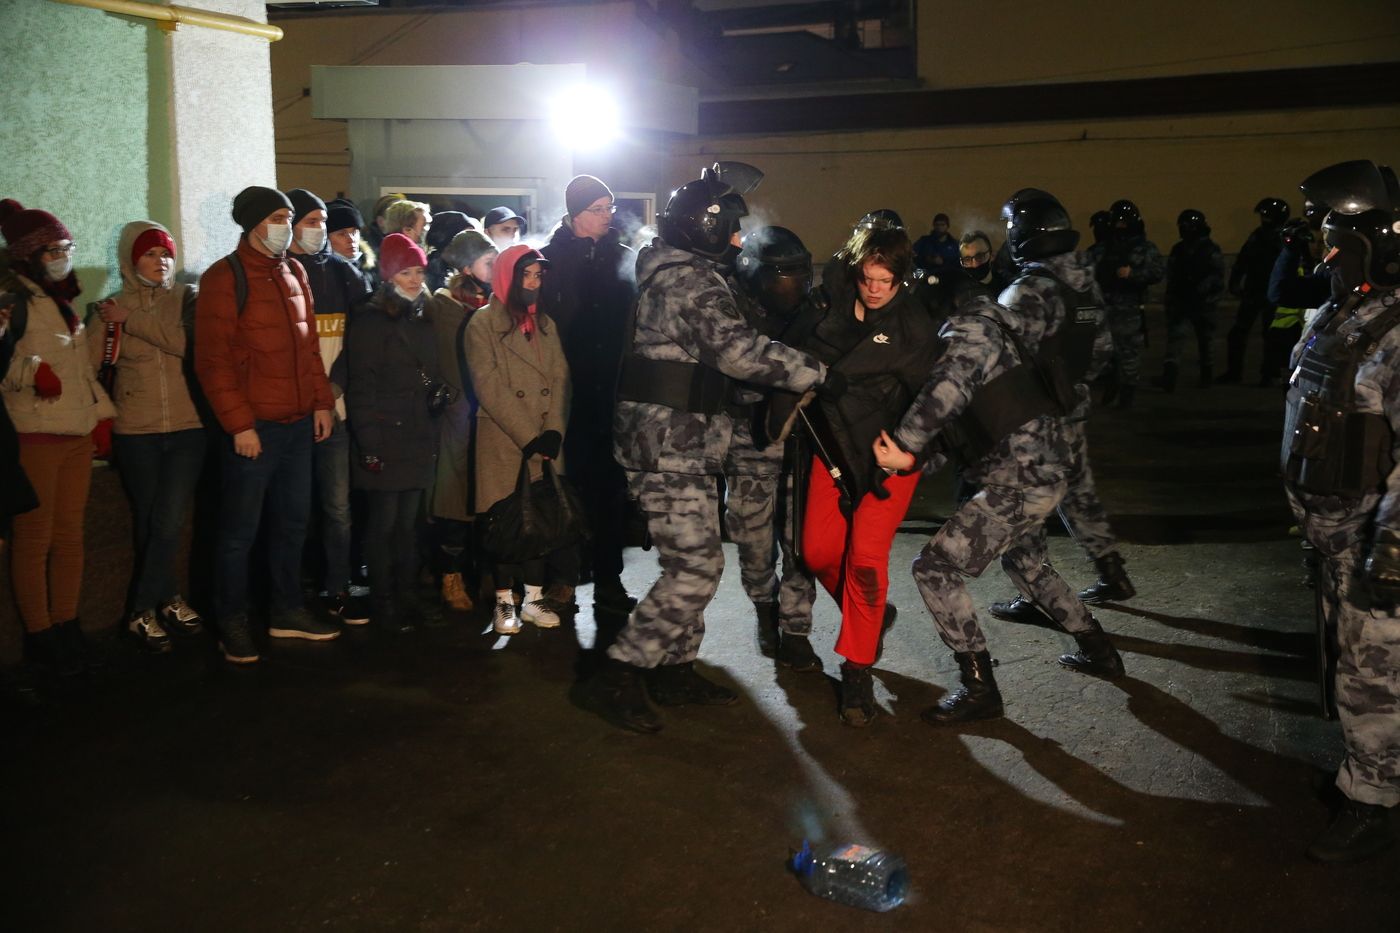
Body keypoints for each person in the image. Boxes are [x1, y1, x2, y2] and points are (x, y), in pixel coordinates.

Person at [875, 190, 1126, 726]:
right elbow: (968, 425)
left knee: (935, 567)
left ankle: (979, 686)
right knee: (1026, 561)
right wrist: (922, 463)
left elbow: (943, 397)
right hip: (1043, 467)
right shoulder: (1003, 322)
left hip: (1022, 478)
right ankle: (1099, 649)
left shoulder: (969, 333)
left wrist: (904, 447)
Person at [596, 164, 832, 734]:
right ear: (700, 228)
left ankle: (676, 669)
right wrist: (817, 373)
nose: (735, 240)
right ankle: (622, 672)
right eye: (727, 228)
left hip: (687, 441)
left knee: (693, 560)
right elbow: (738, 352)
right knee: (697, 565)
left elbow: (718, 368)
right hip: (666, 444)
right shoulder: (686, 281)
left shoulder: (686, 271)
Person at [1283, 159, 1400, 862]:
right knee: (1350, 668)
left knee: (1371, 675)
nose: (1324, 252)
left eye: (1338, 239)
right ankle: (1366, 776)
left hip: (1370, 546)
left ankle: (1374, 799)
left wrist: (1389, 551)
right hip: (1331, 535)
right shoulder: (1340, 313)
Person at [779, 223, 940, 725]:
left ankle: (856, 673)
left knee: (866, 562)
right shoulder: (826, 307)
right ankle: (869, 620)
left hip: (886, 458)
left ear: (901, 281)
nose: (875, 289)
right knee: (818, 551)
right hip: (830, 450)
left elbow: (938, 401)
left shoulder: (914, 329)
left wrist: (912, 453)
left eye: (885, 281)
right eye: (868, 278)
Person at [195, 186, 339, 664]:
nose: (286, 225)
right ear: (254, 223)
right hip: (254, 428)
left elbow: (307, 350)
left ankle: (286, 610)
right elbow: (213, 362)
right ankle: (231, 621)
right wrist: (239, 425)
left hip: (297, 424)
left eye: (288, 217)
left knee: (292, 524)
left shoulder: (294, 271)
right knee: (238, 533)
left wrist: (321, 403)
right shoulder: (224, 278)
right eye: (278, 217)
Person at [984, 189, 1134, 625]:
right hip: (1073, 405)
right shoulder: (1082, 283)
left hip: (1033, 417)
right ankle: (1112, 573)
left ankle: (1034, 594)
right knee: (1078, 491)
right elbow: (1104, 349)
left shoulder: (1027, 290)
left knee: (1025, 502)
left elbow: (1000, 361)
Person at [0, 199, 116, 675]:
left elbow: (81, 369)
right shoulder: (13, 299)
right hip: (34, 433)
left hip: (72, 430)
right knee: (35, 539)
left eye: (65, 247)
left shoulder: (60, 299)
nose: (62, 256)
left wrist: (101, 416)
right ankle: (40, 633)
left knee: (69, 536)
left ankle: (67, 624)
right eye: (53, 249)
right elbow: (4, 363)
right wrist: (32, 370)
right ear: (29, 253)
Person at [89, 220, 208, 651]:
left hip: (187, 427)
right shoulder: (108, 308)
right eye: (150, 253)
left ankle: (139, 610)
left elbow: (188, 345)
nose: (161, 261)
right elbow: (91, 366)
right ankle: (168, 598)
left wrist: (133, 320)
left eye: (166, 253)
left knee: (170, 516)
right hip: (135, 428)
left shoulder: (187, 298)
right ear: (130, 259)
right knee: (149, 519)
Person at [538, 175, 637, 613]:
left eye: (609, 207)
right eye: (599, 208)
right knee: (564, 486)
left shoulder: (624, 258)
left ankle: (608, 580)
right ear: (576, 213)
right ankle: (563, 577)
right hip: (565, 393)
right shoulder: (548, 259)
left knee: (610, 488)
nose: (608, 215)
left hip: (611, 393)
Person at [466, 244, 573, 635]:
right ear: (507, 277)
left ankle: (533, 597)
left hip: (542, 438)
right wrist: (529, 436)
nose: (532, 283)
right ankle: (503, 602)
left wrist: (555, 429)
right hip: (504, 438)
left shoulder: (544, 322)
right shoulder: (482, 323)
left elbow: (561, 378)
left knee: (540, 520)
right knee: (504, 522)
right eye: (525, 275)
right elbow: (488, 385)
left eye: (537, 276)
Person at [346, 233, 445, 634]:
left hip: (418, 433)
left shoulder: (425, 314)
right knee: (383, 525)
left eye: (419, 270)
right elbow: (361, 386)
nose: (414, 279)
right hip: (386, 436)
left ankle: (407, 595)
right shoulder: (371, 319)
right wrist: (369, 443)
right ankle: (384, 600)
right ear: (388, 274)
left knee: (409, 525)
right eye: (405, 271)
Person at [727, 226, 815, 660]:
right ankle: (765, 608)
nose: (794, 282)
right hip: (751, 438)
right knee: (752, 535)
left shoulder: (815, 313)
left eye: (799, 272)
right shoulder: (734, 309)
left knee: (801, 539)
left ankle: (796, 630)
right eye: (784, 273)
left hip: (806, 439)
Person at [287, 188, 371, 625]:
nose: (319, 231)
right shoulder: (278, 275)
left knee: (338, 507)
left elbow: (361, 340)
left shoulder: (346, 275)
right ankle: (295, 590)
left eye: (323, 222)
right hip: (289, 412)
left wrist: (334, 387)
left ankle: (337, 585)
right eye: (311, 222)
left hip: (334, 410)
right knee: (293, 508)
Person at [427, 228, 497, 613]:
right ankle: (450, 579)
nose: (495, 267)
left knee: (487, 498)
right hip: (457, 416)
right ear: (468, 267)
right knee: (455, 502)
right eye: (489, 262)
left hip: (488, 416)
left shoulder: (493, 304)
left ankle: (487, 575)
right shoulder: (443, 308)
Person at [1090, 199, 1164, 408]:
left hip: (1129, 308)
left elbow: (1157, 272)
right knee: (1104, 351)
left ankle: (1127, 392)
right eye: (1117, 221)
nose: (1121, 226)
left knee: (1128, 352)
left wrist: (1133, 274)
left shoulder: (1144, 248)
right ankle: (1112, 382)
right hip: (1104, 306)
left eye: (1124, 221)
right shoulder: (1102, 249)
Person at [1222, 197, 1289, 385]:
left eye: (1267, 216)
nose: (1264, 219)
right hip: (1254, 290)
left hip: (1273, 293)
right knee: (1238, 333)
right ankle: (1234, 372)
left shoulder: (1284, 238)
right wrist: (1235, 281)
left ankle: (1269, 373)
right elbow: (1243, 259)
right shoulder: (1258, 235)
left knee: (1272, 335)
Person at [1159, 209, 1226, 391]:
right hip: (1182, 301)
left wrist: (1207, 293)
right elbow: (1172, 276)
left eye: (1186, 227)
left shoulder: (1209, 249)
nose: (1183, 230)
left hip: (1203, 302)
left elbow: (1217, 275)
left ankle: (1206, 376)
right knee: (1176, 340)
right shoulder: (1179, 249)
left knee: (1205, 340)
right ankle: (1169, 377)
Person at [425, 211, 477, 293]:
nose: (473, 241)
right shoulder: (435, 267)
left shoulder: (467, 263)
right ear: (449, 238)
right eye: (465, 236)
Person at [327, 197, 375, 283]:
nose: (351, 239)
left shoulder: (370, 268)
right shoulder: (324, 274)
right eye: (342, 234)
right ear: (327, 239)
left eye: (354, 232)